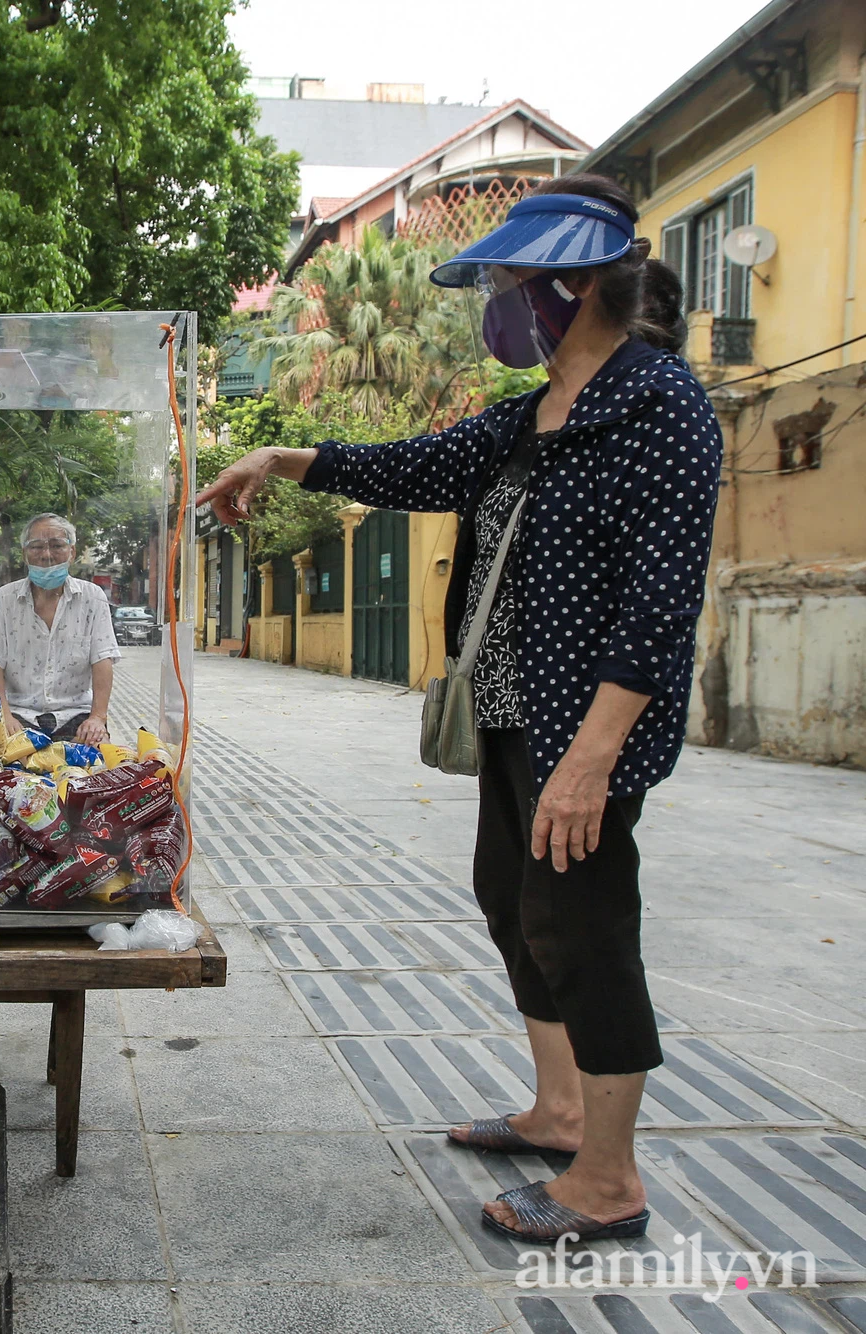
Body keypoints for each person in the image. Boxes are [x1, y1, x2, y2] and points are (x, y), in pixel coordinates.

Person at [196, 176, 720, 1245]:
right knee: (507, 897)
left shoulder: (658, 405)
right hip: (512, 708)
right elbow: (417, 463)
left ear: (567, 289)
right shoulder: (533, 416)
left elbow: (660, 599)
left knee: (584, 928)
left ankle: (607, 1176)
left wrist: (591, 759)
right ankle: (559, 1106)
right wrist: (281, 454)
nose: (496, 305)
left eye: (509, 284)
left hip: (587, 727)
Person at [0, 513, 120, 743]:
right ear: (24, 553)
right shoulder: (3, 600)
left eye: (57, 545)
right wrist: (4, 715)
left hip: (75, 715)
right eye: (36, 546)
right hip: (18, 713)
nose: (47, 555)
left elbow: (102, 660)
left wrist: (97, 717)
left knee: (93, 760)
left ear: (72, 552)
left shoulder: (93, 598)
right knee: (3, 766)